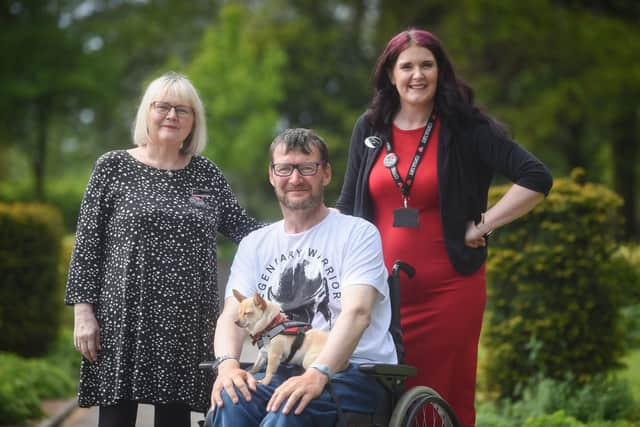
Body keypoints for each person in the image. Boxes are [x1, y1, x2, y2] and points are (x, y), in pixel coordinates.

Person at [336, 28, 553, 426]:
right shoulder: (369, 129)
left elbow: (535, 177)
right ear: (390, 74)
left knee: (439, 400)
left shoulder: (466, 127)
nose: (417, 75)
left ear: (440, 71)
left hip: (450, 292)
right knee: (376, 401)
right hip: (377, 296)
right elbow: (348, 205)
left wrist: (483, 225)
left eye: (426, 65)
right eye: (407, 66)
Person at [64, 71, 260, 427]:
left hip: (187, 321)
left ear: (193, 122)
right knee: (116, 418)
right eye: (163, 107)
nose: (172, 116)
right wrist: (83, 313)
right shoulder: (112, 167)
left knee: (174, 421)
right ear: (147, 112)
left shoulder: (206, 174)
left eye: (183, 110)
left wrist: (306, 229)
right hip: (123, 318)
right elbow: (88, 244)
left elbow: (245, 229)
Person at [206, 128, 396, 427]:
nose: (295, 179)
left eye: (307, 168)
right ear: (271, 175)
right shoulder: (255, 244)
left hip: (352, 370)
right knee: (231, 402)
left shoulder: (357, 234)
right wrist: (228, 366)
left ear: (326, 174)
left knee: (286, 414)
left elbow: (357, 313)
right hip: (280, 370)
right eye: (285, 168)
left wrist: (318, 372)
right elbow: (231, 314)